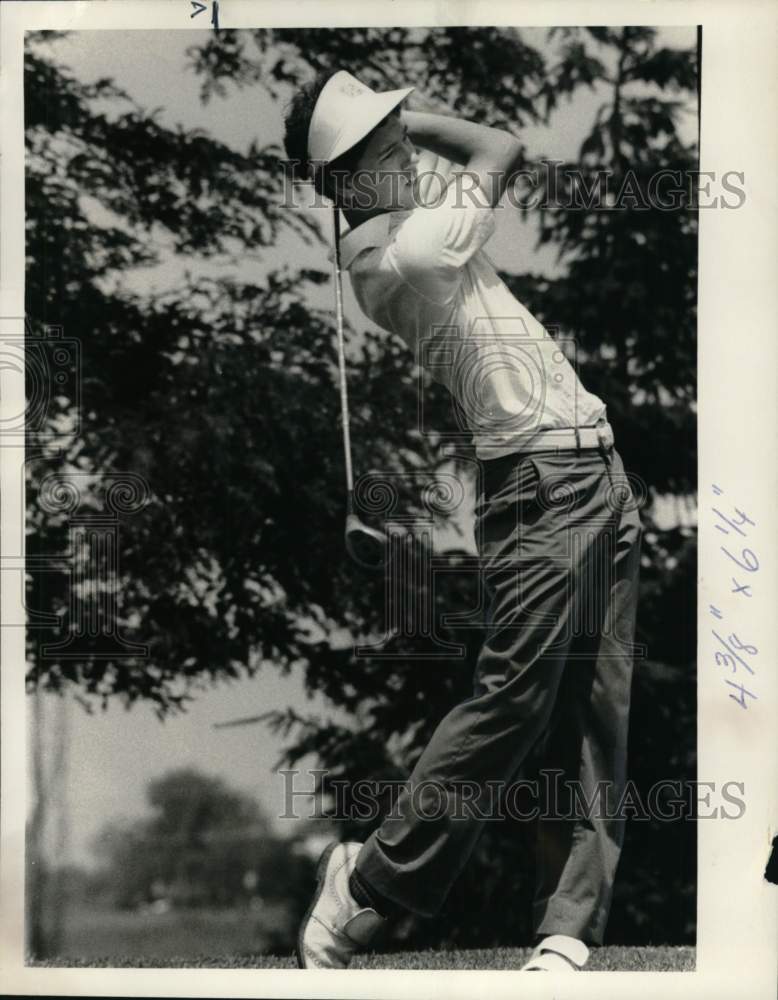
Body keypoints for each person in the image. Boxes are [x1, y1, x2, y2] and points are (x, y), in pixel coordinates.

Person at [283, 69, 643, 972]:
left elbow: (470, 157)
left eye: (399, 137)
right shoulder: (411, 251)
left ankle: (565, 930)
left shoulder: (403, 228)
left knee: (593, 713)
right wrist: (409, 117)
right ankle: (367, 885)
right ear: (349, 178)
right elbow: (500, 147)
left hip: (596, 474)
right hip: (545, 486)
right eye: (385, 146)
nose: (405, 150)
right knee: (513, 703)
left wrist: (379, 126)